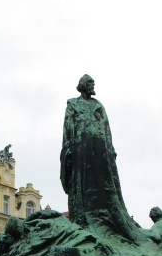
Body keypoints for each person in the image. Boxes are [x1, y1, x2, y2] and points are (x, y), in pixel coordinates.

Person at [60, 74, 142, 243]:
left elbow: (106, 128)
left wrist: (110, 148)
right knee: (81, 182)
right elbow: (68, 127)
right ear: (84, 85)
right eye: (90, 83)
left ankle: (107, 218)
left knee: (104, 182)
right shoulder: (73, 104)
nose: (93, 85)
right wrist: (68, 147)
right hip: (80, 147)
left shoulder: (98, 105)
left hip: (99, 148)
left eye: (93, 83)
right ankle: (83, 218)